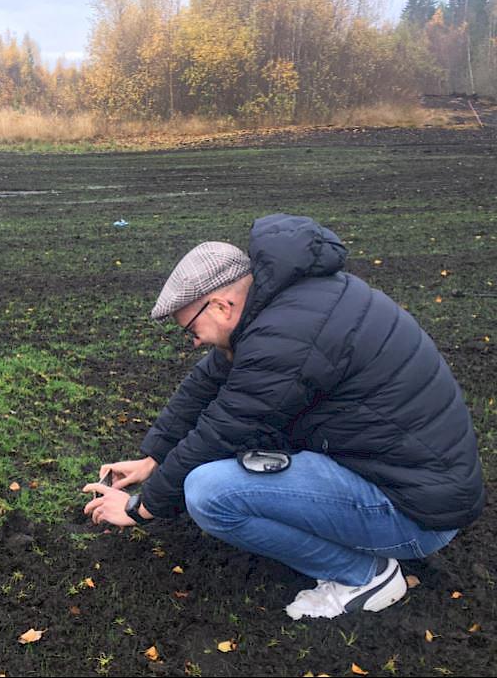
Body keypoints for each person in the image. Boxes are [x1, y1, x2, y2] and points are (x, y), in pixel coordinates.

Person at [82, 213, 484, 620]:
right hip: (414, 483)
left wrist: (140, 509)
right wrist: (153, 457)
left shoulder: (285, 339)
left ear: (221, 306)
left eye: (191, 329)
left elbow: (220, 431)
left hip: (413, 514)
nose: (194, 341)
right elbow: (205, 383)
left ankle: (364, 576)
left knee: (209, 491)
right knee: (244, 456)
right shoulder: (289, 305)